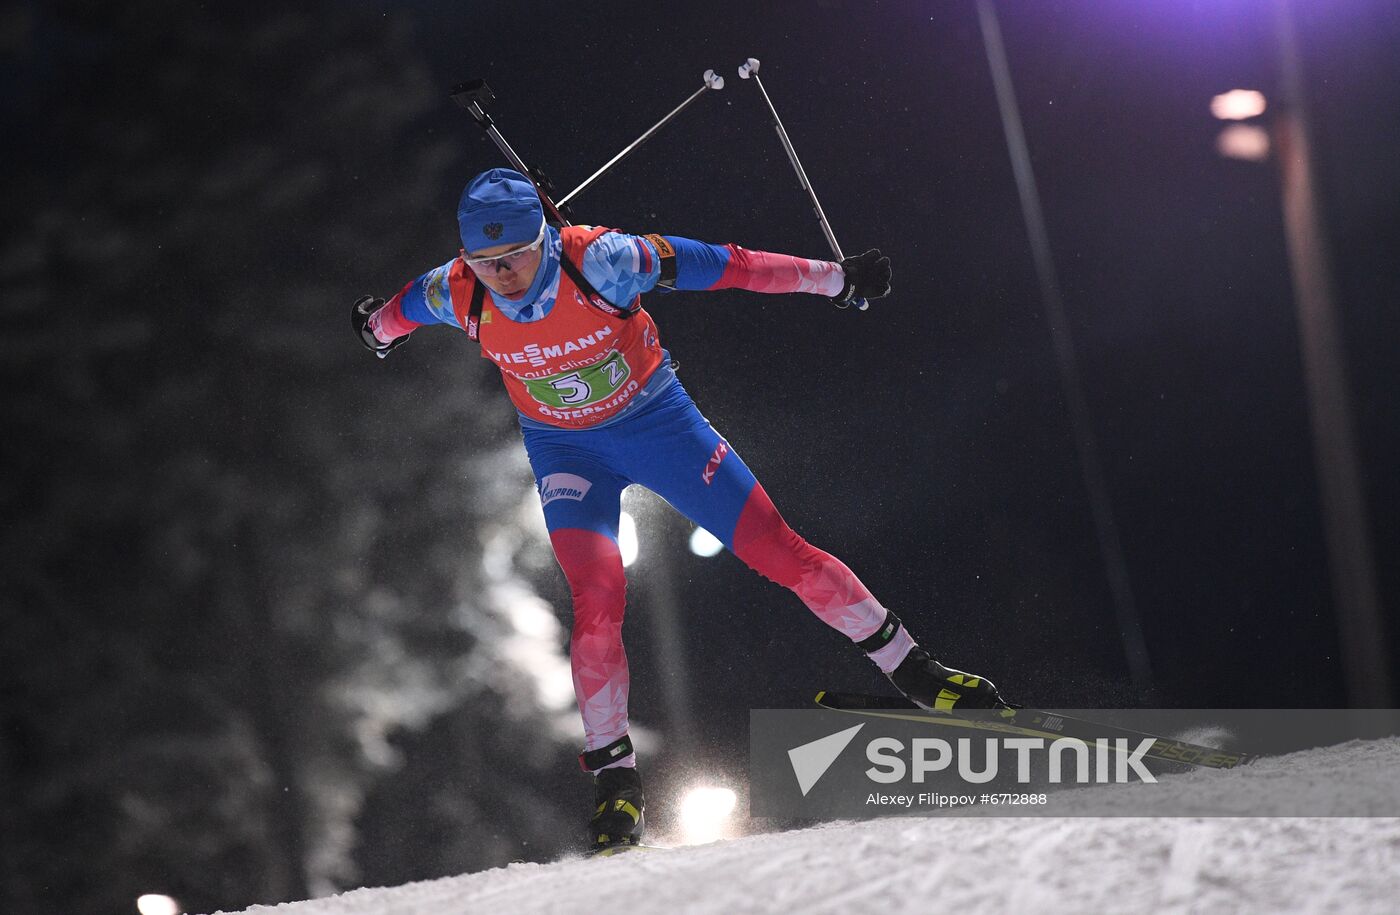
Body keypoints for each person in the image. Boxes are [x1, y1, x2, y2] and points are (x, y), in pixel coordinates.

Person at [352, 167, 1005, 852]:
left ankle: (917, 672)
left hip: (660, 427)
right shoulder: (454, 289)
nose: (501, 275)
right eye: (484, 262)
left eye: (512, 256)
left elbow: (732, 267)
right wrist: (374, 331)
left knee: (777, 550)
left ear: (543, 238)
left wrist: (834, 279)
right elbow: (391, 316)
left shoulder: (604, 261)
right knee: (596, 599)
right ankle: (616, 783)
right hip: (567, 453)